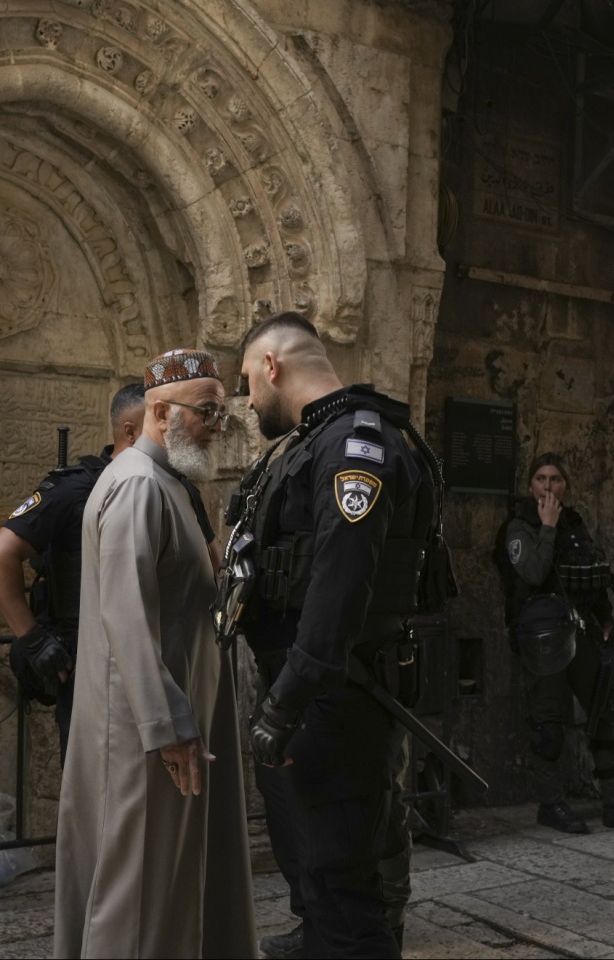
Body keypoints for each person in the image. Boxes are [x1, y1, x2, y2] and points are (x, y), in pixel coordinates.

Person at [228, 311, 432, 958]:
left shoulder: (352, 442)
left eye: (247, 382)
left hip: (335, 695)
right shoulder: (317, 439)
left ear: (271, 366)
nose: (247, 401)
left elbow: (339, 585)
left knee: (346, 890)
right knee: (317, 872)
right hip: (315, 692)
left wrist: (287, 700)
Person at [53, 349, 255, 958]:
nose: (216, 426)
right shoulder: (139, 485)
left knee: (164, 883)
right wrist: (167, 725)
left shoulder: (167, 483)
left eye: (221, 414)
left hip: (165, 717)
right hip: (145, 732)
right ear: (161, 413)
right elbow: (125, 615)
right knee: (137, 892)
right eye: (205, 413)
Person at [0, 384, 149, 761]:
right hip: (89, 659)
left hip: (150, 659)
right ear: (130, 431)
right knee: (93, 776)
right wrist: (34, 640)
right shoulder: (75, 488)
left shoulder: (169, 486)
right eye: (160, 421)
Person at [495, 453, 614, 834]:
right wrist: (547, 527)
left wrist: (605, 617)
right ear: (530, 485)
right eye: (541, 479)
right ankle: (551, 804)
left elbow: (591, 572)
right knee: (548, 725)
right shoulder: (519, 526)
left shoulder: (574, 522)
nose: (548, 486)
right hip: (542, 637)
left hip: (579, 630)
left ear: (565, 485)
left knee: (604, 709)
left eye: (555, 479)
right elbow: (534, 572)